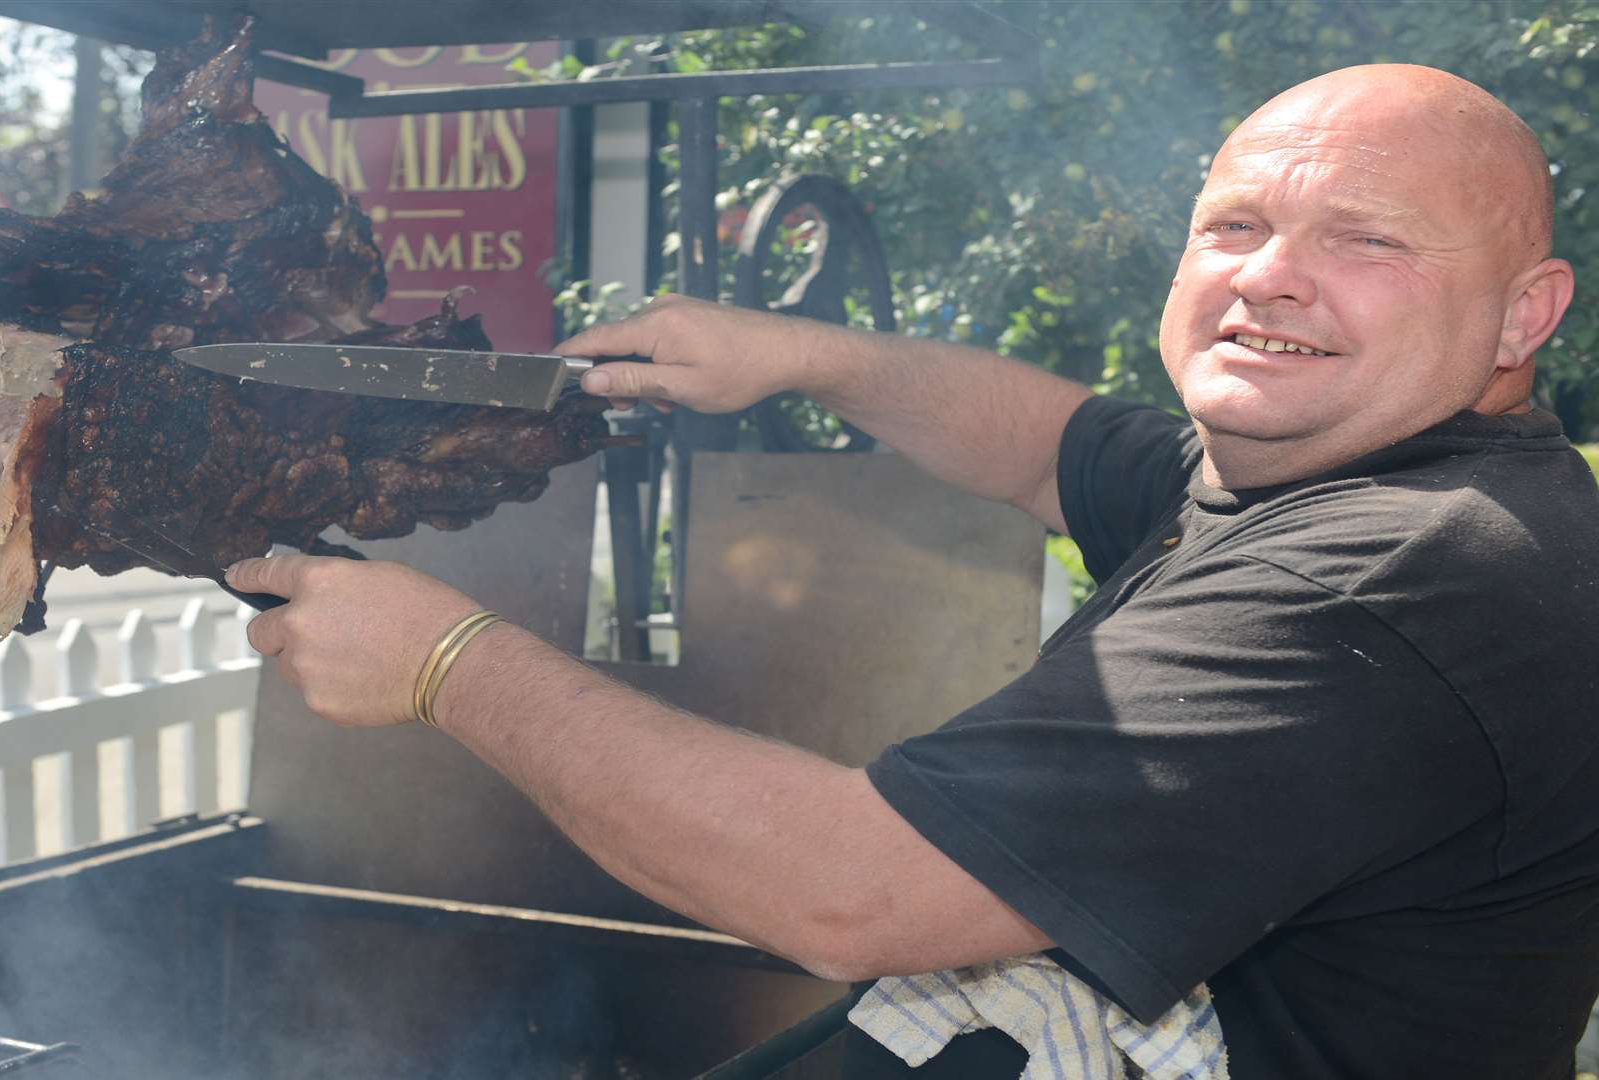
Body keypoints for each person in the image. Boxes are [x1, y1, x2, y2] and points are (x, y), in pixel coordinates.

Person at [226, 63, 1599, 1078]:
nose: (1272, 280)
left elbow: (849, 892)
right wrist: (805, 356)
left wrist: (454, 669)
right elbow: (1050, 445)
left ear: (1524, 311)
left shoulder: (1393, 584)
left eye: (1366, 239)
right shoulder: (1333, 473)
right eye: (1236, 226)